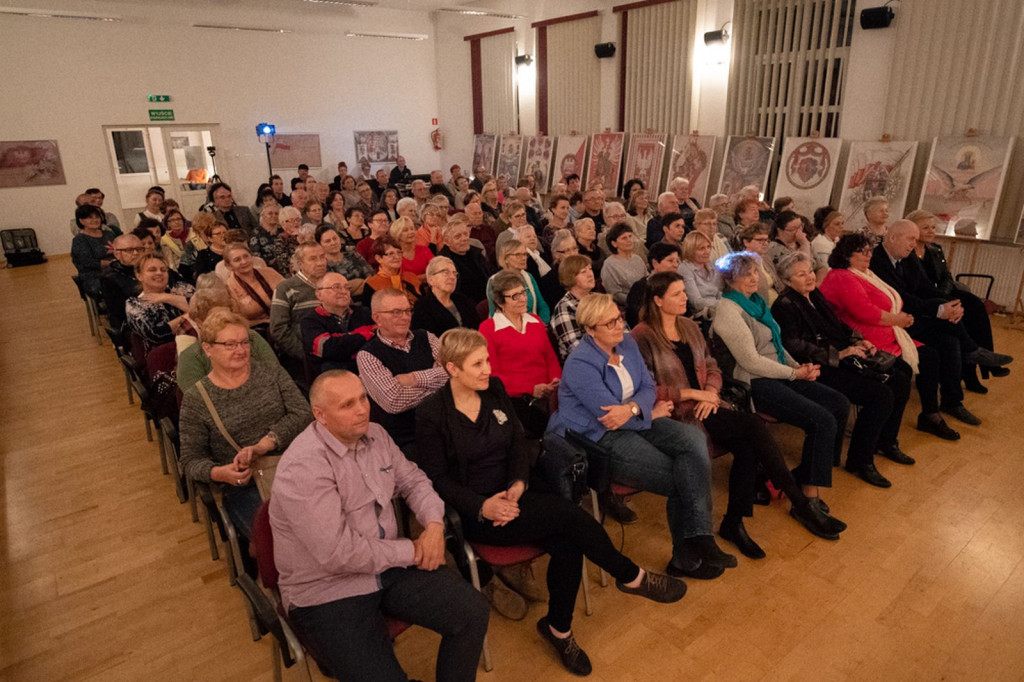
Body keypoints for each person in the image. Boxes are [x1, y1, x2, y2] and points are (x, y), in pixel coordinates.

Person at [416, 329, 684, 676]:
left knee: (568, 546)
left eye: (487, 360)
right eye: (477, 364)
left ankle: (559, 630)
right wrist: (483, 507)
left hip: (518, 492)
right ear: (452, 369)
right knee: (569, 518)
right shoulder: (431, 414)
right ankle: (630, 576)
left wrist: (518, 482)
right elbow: (438, 480)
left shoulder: (494, 390)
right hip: (479, 510)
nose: (487, 369)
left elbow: (517, 443)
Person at [269, 370, 488, 682]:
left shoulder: (376, 435)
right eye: (347, 405)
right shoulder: (302, 467)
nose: (362, 409)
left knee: (471, 612)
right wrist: (414, 549)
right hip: (328, 588)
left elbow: (413, 481)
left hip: (387, 567)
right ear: (320, 415)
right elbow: (337, 553)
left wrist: (435, 525)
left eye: (362, 398)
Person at [632, 272, 846, 556]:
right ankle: (799, 502)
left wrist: (711, 390)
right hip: (676, 415)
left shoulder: (688, 326)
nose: (685, 298)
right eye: (677, 294)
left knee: (748, 447)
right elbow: (647, 389)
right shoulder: (641, 336)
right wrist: (697, 395)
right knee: (754, 428)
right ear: (658, 300)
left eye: (685, 291)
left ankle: (735, 523)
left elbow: (712, 366)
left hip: (710, 406)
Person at [549, 294, 738, 579]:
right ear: (590, 330)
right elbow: (609, 417)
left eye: (619, 317)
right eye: (609, 322)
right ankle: (686, 556)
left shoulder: (625, 342)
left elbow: (648, 386)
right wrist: (647, 412)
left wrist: (636, 408)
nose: (618, 325)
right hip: (598, 437)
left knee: (694, 441)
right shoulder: (580, 363)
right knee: (681, 476)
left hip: (637, 419)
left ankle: (700, 537)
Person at [712, 251, 850, 517]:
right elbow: (750, 361)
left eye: (756, 272)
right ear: (730, 279)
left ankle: (798, 474)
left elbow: (776, 344)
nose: (755, 278)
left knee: (838, 404)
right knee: (822, 420)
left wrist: (797, 366)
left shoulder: (756, 303)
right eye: (747, 274)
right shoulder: (729, 310)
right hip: (754, 382)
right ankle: (808, 496)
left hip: (777, 372)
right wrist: (793, 374)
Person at [773, 252, 912, 488]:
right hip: (819, 366)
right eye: (800, 274)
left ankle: (886, 442)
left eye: (809, 271)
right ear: (787, 281)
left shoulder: (814, 295)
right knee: (881, 394)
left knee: (902, 374)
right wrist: (841, 354)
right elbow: (793, 346)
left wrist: (858, 340)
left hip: (842, 354)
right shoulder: (785, 305)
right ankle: (860, 460)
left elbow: (838, 325)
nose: (809, 277)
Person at [179, 309, 310, 538]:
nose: (240, 350)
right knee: (288, 539)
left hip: (295, 466)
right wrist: (220, 473)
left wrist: (265, 443)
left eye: (244, 342)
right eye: (230, 344)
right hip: (246, 484)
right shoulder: (197, 399)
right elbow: (191, 460)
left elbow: (302, 413)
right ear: (208, 349)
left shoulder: (271, 372)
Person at [819, 234, 959, 442]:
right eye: (862, 251)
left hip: (887, 330)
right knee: (909, 369)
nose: (869, 255)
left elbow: (892, 300)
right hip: (862, 336)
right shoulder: (841, 276)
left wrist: (900, 319)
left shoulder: (867, 274)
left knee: (932, 354)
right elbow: (864, 311)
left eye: (870, 251)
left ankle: (929, 414)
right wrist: (897, 319)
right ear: (847, 254)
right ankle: (888, 436)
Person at [870, 220, 1011, 425]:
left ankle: (952, 402)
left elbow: (925, 287)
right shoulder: (876, 260)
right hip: (895, 320)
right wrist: (938, 309)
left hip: (914, 316)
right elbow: (901, 297)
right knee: (942, 321)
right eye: (910, 239)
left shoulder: (907, 258)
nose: (913, 244)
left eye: (915, 240)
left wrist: (950, 305)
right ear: (892, 237)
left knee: (950, 340)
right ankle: (972, 351)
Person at [908, 209, 1006, 393]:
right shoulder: (906, 252)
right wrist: (941, 299)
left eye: (933, 227)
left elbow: (947, 277)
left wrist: (943, 295)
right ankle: (977, 369)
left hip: (941, 294)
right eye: (926, 227)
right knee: (961, 317)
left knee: (975, 306)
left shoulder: (935, 249)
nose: (931, 231)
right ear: (913, 228)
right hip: (925, 300)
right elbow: (918, 286)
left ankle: (979, 365)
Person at [356, 288, 449, 452]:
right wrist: (439, 386)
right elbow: (394, 402)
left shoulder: (426, 336)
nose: (405, 317)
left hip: (446, 422)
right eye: (396, 312)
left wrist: (414, 379)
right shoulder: (367, 355)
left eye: (407, 310)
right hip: (407, 436)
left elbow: (454, 372)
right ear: (377, 318)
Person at [479, 271, 562, 438]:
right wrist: (530, 389)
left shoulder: (535, 321)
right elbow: (492, 375)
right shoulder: (488, 328)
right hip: (516, 397)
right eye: (515, 296)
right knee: (550, 429)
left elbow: (550, 357)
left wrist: (555, 380)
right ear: (500, 302)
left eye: (523, 292)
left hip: (549, 391)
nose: (523, 298)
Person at [176, 288, 280, 390]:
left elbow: (277, 376)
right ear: (200, 323)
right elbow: (199, 401)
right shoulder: (191, 357)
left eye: (228, 316)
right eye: (217, 318)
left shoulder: (251, 337)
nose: (225, 323)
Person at [300, 273, 374, 377]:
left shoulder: (364, 312)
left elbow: (377, 341)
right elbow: (326, 348)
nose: (344, 292)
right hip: (331, 379)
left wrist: (342, 341)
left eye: (347, 287)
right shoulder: (310, 321)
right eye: (336, 287)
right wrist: (362, 335)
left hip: (368, 373)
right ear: (319, 294)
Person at [270, 243, 327, 366]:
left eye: (322, 257)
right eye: (313, 259)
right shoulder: (285, 288)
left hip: (337, 349)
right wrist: (306, 355)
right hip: (304, 358)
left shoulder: (334, 283)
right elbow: (278, 329)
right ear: (300, 264)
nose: (320, 263)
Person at [125, 254, 195, 352]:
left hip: (196, 344)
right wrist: (189, 316)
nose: (159, 273)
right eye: (152, 270)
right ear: (139, 276)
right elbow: (156, 335)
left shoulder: (181, 289)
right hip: (165, 354)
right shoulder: (135, 304)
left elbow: (207, 309)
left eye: (163, 270)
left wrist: (168, 298)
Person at [223, 241, 283, 332]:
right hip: (258, 331)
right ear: (229, 266)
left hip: (286, 320)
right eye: (237, 260)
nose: (244, 262)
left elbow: (291, 293)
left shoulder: (270, 272)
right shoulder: (228, 288)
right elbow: (236, 320)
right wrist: (262, 321)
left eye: (246, 256)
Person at [412, 256, 480, 337]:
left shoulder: (464, 301)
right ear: (431, 280)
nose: (452, 277)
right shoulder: (422, 307)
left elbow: (477, 330)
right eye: (445, 272)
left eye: (454, 273)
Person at [486, 240, 550, 323]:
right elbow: (494, 313)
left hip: (534, 324)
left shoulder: (528, 277)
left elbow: (541, 304)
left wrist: (543, 323)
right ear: (506, 258)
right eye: (518, 255)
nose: (523, 258)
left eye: (525, 254)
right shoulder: (494, 281)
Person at [625, 242, 682, 328]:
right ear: (655, 263)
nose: (675, 265)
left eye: (677, 261)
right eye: (670, 261)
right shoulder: (640, 287)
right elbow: (637, 317)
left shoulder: (676, 285)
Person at [549, 255, 594, 362]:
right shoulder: (564, 307)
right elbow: (576, 348)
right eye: (583, 272)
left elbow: (623, 330)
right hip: (582, 364)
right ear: (571, 278)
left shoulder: (597, 299)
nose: (590, 274)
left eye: (590, 269)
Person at [438, 215, 492, 306]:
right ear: (447, 241)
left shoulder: (476, 253)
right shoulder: (443, 262)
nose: (464, 239)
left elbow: (491, 274)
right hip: (466, 306)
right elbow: (452, 293)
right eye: (458, 236)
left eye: (465, 234)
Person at [101, 234, 145, 341]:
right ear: (117, 254)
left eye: (139, 249)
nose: (136, 253)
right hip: (132, 323)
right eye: (129, 250)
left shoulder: (151, 267)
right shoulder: (110, 278)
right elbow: (120, 312)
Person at [361, 236, 422, 307]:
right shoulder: (372, 284)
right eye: (390, 254)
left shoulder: (412, 277)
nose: (397, 257)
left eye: (399, 252)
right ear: (378, 258)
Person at [315, 224, 373, 296]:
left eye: (335, 238)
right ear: (320, 245)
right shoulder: (323, 265)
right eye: (328, 241)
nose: (333, 243)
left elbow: (371, 276)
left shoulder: (353, 255)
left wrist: (353, 286)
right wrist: (360, 282)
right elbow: (336, 291)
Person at [600, 222, 648, 306]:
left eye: (630, 236)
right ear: (614, 243)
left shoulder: (637, 259)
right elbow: (615, 294)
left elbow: (646, 280)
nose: (629, 240)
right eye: (624, 238)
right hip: (628, 305)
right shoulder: (609, 265)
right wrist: (636, 302)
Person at [71, 205, 115, 297]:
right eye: (89, 217)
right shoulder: (80, 239)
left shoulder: (109, 234)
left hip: (115, 269)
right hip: (94, 275)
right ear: (81, 221)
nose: (94, 220)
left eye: (97, 217)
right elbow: (87, 262)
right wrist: (110, 262)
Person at [678, 231, 722, 323]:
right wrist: (723, 304)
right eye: (701, 248)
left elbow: (718, 293)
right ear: (691, 250)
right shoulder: (685, 268)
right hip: (702, 314)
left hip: (718, 308)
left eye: (708, 247)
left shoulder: (711, 265)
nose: (707, 251)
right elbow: (696, 302)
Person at [732, 223, 780, 303]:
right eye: (760, 240)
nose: (765, 243)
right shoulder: (741, 263)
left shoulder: (766, 258)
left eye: (766, 240)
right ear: (746, 242)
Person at [389, 216, 433, 282]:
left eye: (412, 229)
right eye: (405, 230)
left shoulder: (424, 250)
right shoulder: (394, 255)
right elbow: (399, 279)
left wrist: (415, 279)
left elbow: (435, 270)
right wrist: (425, 277)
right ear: (398, 234)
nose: (411, 232)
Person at [811, 210, 845, 279]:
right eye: (837, 224)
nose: (841, 227)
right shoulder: (820, 243)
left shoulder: (836, 239)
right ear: (826, 227)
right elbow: (826, 269)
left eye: (842, 223)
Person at [270, 206, 304, 276]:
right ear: (283, 224)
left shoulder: (306, 236)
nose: (296, 223)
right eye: (291, 220)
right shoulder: (280, 241)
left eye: (298, 219)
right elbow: (285, 265)